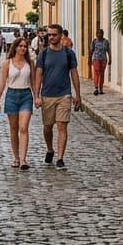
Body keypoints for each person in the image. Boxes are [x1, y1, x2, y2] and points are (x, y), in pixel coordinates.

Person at [33, 23, 81, 169]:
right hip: (47, 95)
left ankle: (60, 158)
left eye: (54, 34)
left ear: (61, 36)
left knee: (62, 126)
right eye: (50, 35)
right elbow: (39, 74)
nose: (51, 37)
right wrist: (37, 95)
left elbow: (74, 73)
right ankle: (50, 149)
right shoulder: (44, 54)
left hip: (64, 94)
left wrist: (77, 94)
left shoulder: (68, 53)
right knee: (48, 127)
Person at [0, 35, 34, 168]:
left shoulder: (30, 63)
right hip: (11, 95)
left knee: (23, 127)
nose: (23, 48)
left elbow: (33, 82)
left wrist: (37, 96)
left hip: (26, 95)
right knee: (14, 129)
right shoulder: (7, 63)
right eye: (20, 46)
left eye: (25, 46)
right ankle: (16, 157)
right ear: (15, 47)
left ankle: (23, 159)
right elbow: (2, 83)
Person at [89, 28, 111, 96]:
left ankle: (101, 88)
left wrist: (110, 59)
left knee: (102, 74)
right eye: (98, 33)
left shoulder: (106, 41)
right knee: (96, 72)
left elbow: (108, 51)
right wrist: (89, 60)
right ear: (96, 34)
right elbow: (91, 51)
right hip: (96, 59)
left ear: (103, 34)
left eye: (101, 33)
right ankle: (96, 88)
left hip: (103, 59)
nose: (99, 35)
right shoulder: (94, 41)